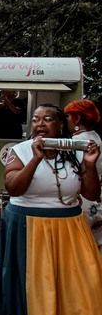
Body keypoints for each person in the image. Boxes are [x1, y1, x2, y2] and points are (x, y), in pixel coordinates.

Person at [0, 103, 102, 315]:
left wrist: (89, 165)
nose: (40, 124)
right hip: (28, 226)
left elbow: (91, 193)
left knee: (73, 286)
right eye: (35, 119)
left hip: (69, 226)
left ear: (61, 126)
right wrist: (35, 159)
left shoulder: (75, 152)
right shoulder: (21, 150)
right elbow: (13, 187)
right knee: (35, 288)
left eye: (48, 119)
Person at [64, 100, 102, 247]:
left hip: (83, 196)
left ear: (77, 118)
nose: (66, 120)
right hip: (97, 195)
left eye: (68, 116)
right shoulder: (96, 137)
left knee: (80, 243)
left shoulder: (76, 142)